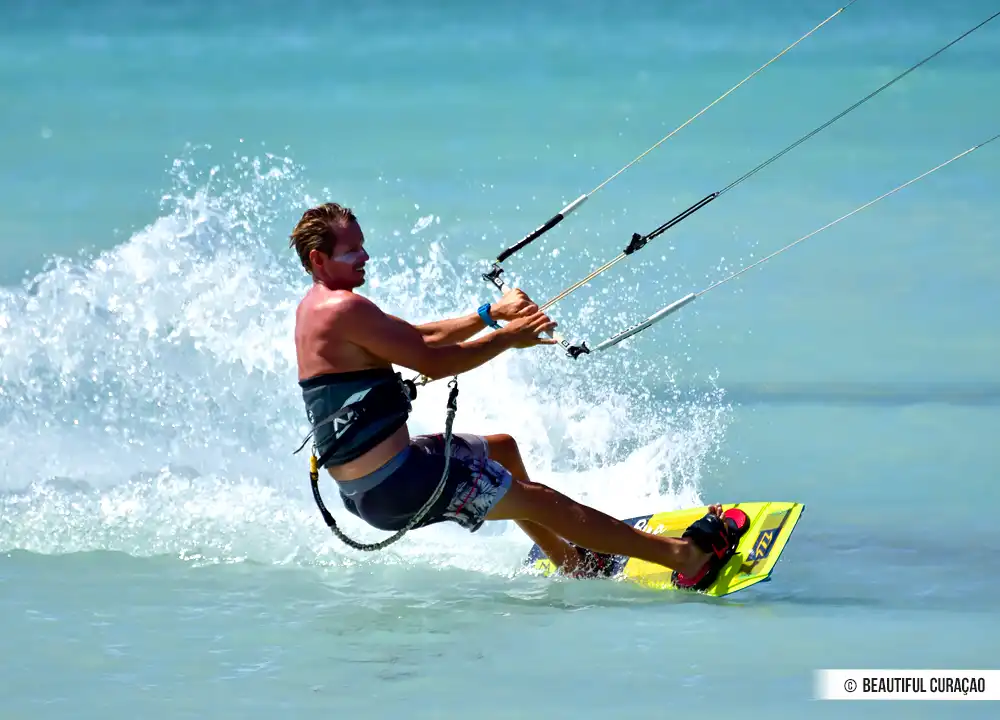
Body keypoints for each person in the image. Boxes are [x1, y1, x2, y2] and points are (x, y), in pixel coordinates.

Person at [290, 201, 749, 588]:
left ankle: (573, 562)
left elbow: (416, 335)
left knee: (503, 450)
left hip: (369, 486)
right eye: (352, 251)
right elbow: (432, 361)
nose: (365, 255)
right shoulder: (344, 309)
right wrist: (511, 336)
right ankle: (685, 558)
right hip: (397, 485)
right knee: (542, 501)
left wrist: (491, 314)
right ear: (318, 259)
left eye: (363, 245)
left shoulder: (319, 308)